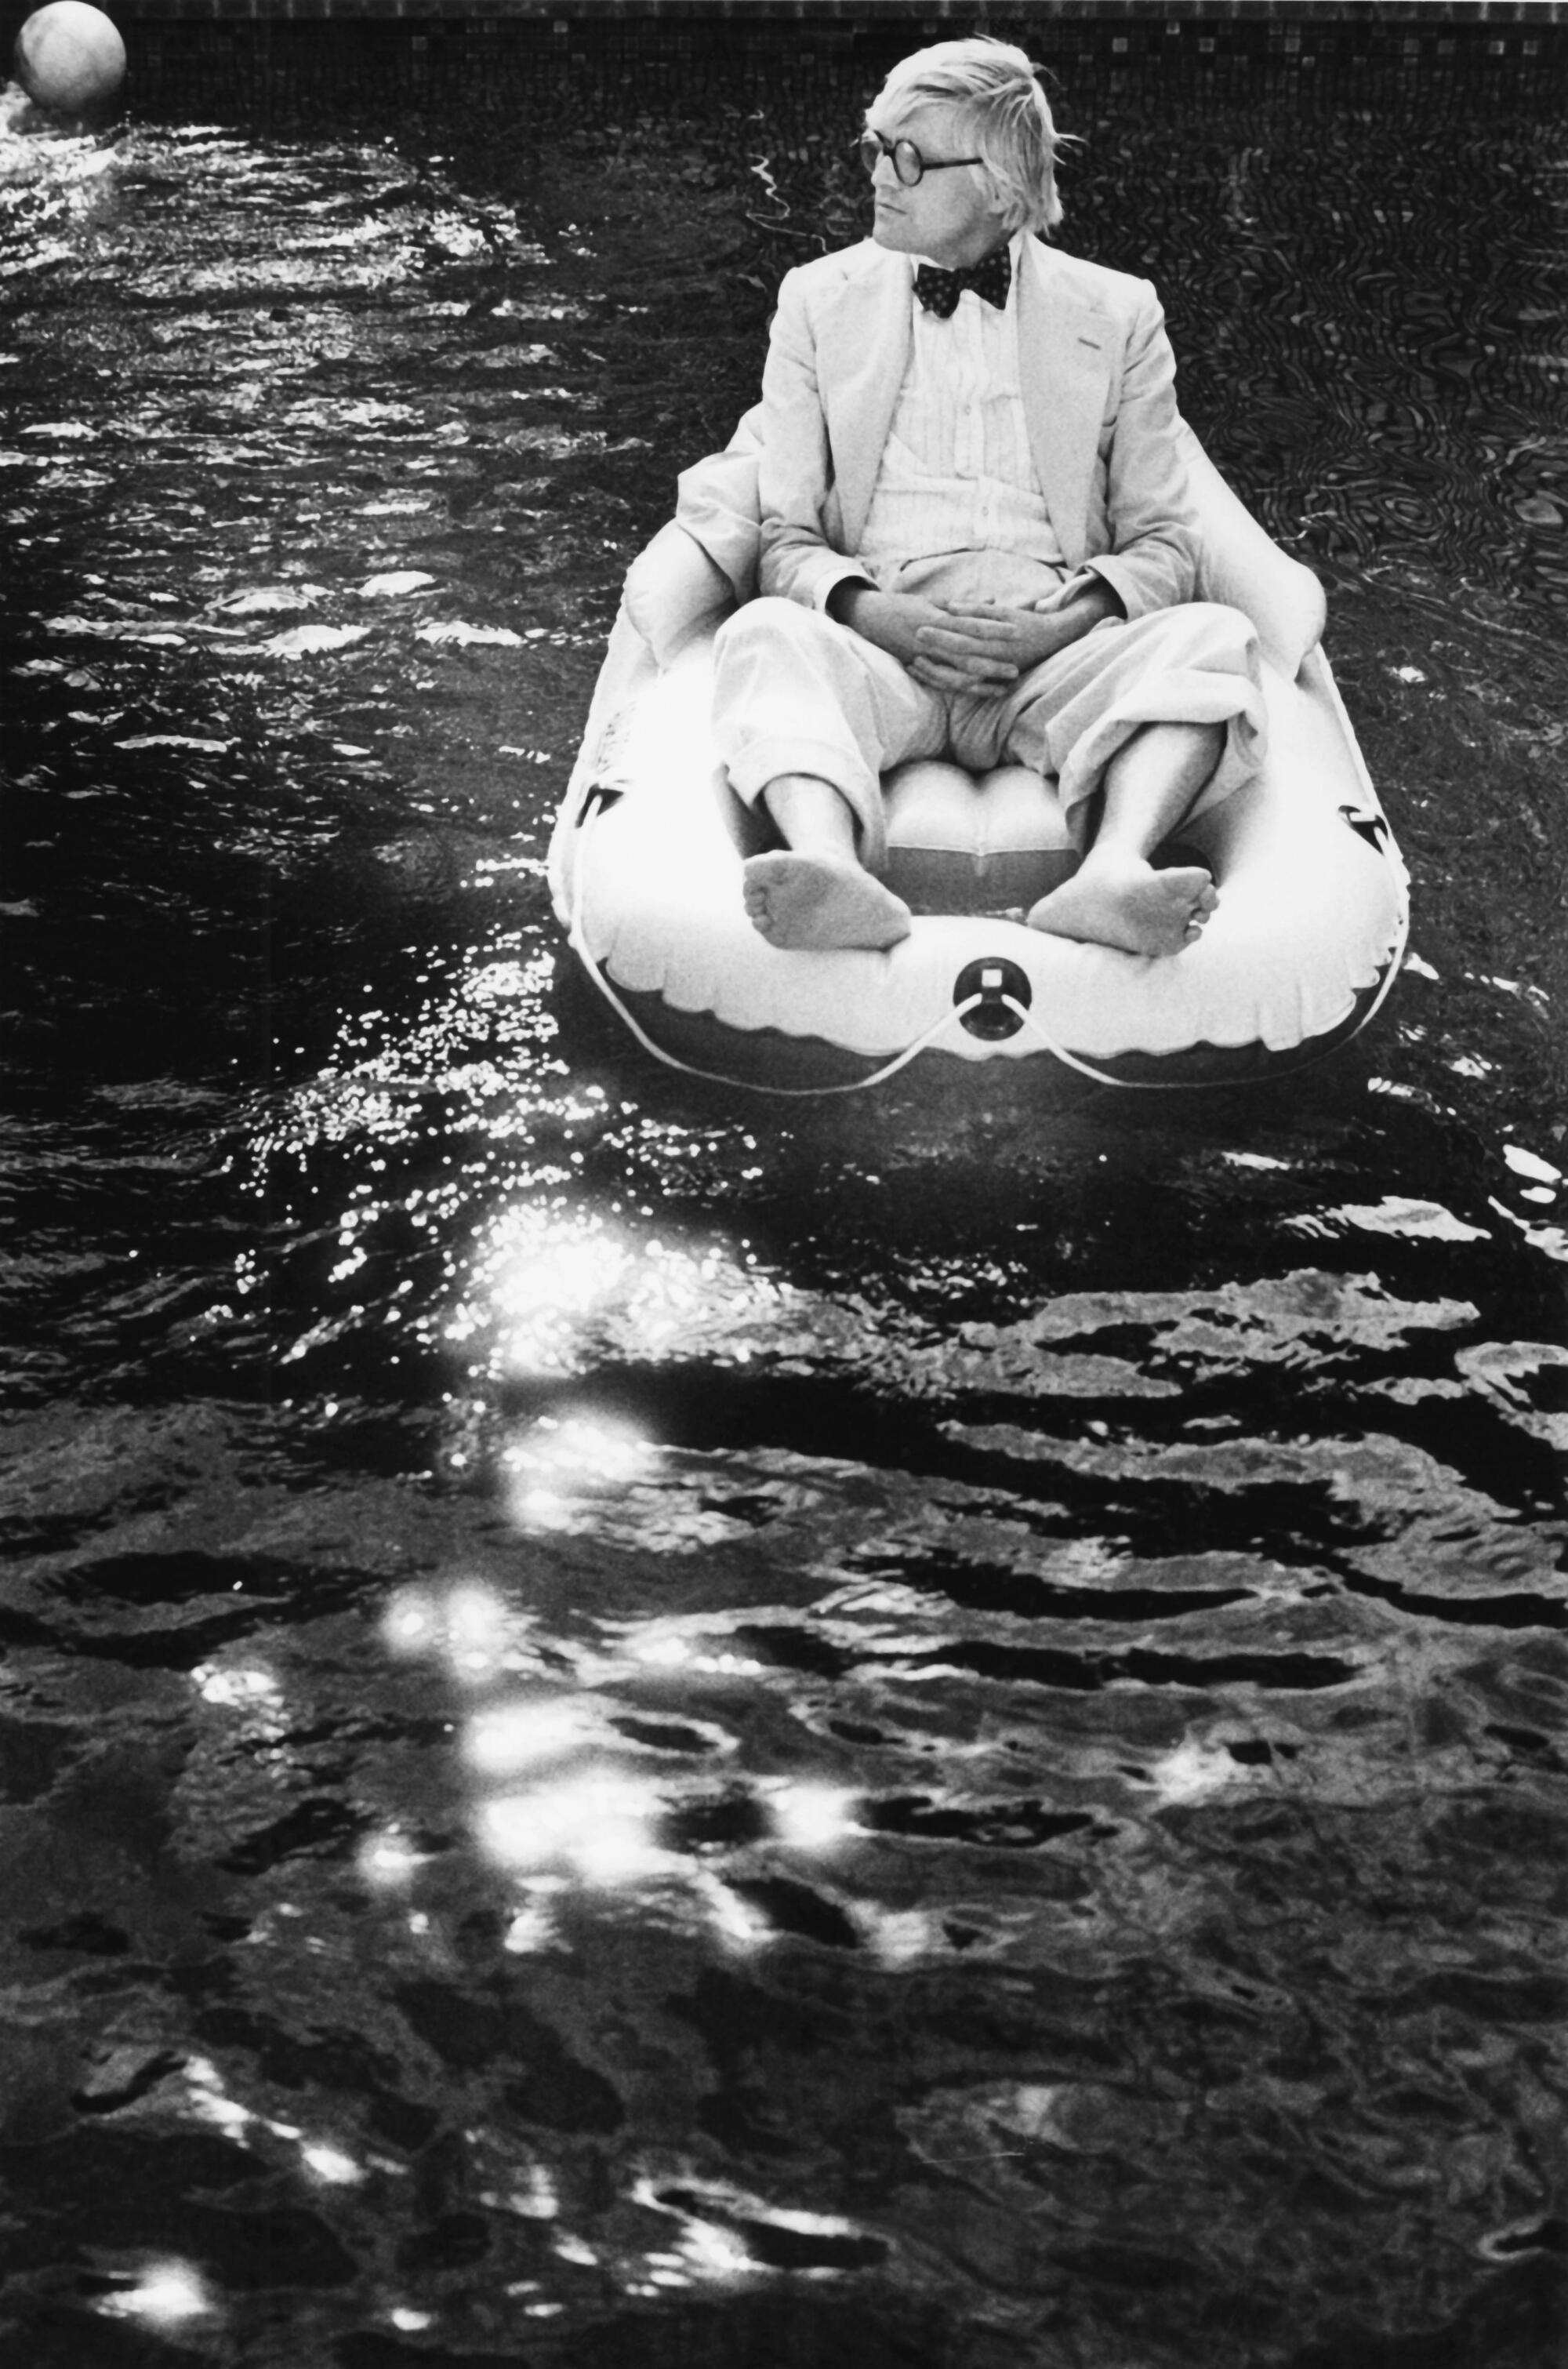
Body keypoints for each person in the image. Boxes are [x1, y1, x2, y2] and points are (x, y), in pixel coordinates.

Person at [710, 35, 1269, 958]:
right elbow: (786, 538)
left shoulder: (1119, 312)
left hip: (1051, 658)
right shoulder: (814, 302)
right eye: (874, 148)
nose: (880, 178)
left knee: (1215, 639)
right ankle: (828, 867)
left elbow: (1164, 541)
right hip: (880, 654)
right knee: (761, 634)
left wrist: (1056, 627)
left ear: (1002, 184)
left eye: (911, 158)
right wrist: (877, 616)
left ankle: (1115, 871)